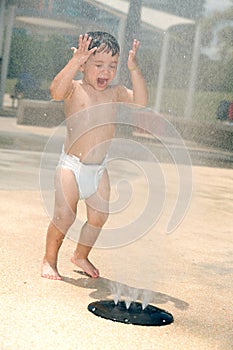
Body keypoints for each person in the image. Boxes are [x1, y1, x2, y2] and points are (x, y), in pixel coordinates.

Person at [41, 31, 148, 280]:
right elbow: (55, 91)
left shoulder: (117, 92)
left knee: (99, 217)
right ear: (83, 65)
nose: (105, 72)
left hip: (98, 169)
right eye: (98, 65)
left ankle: (80, 254)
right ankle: (49, 259)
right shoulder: (74, 89)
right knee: (65, 216)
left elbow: (141, 103)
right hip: (72, 166)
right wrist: (74, 61)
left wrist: (134, 70)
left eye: (112, 66)